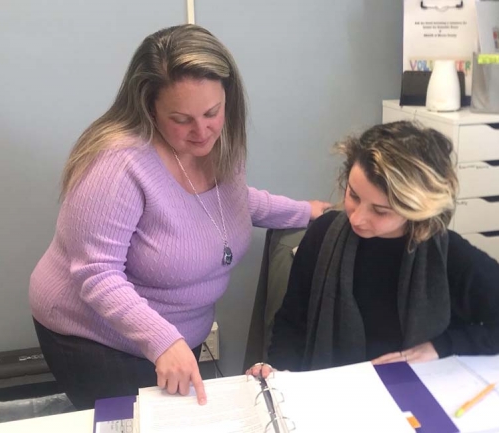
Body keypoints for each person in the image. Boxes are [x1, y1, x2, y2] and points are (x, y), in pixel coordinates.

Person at [29, 24, 329, 410]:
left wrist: (306, 211)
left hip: (169, 337)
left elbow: (228, 203)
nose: (201, 131)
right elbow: (96, 272)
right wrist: (163, 340)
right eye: (181, 119)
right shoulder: (116, 164)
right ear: (149, 106)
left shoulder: (219, 145)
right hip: (96, 337)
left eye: (212, 112)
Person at [247, 121, 499, 379]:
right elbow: (291, 324)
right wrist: (278, 376)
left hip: (415, 398)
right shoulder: (323, 235)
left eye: (381, 210)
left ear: (417, 209)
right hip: (332, 396)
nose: (357, 218)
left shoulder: (451, 257)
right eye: (353, 195)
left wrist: (441, 346)